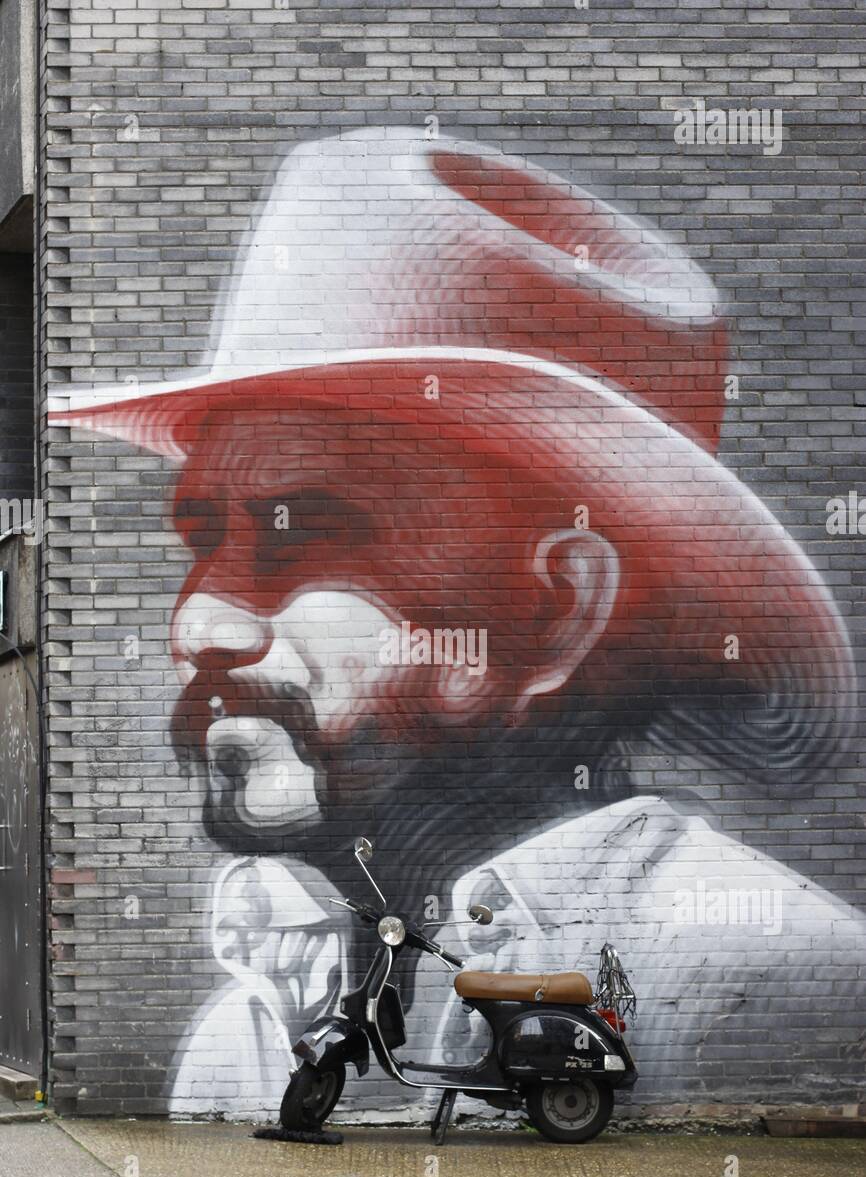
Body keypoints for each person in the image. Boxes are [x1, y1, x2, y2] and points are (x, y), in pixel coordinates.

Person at [51, 128, 863, 1117]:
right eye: (201, 538)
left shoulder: (752, 985)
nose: (200, 624)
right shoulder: (257, 1017)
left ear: (555, 612)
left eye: (298, 541)